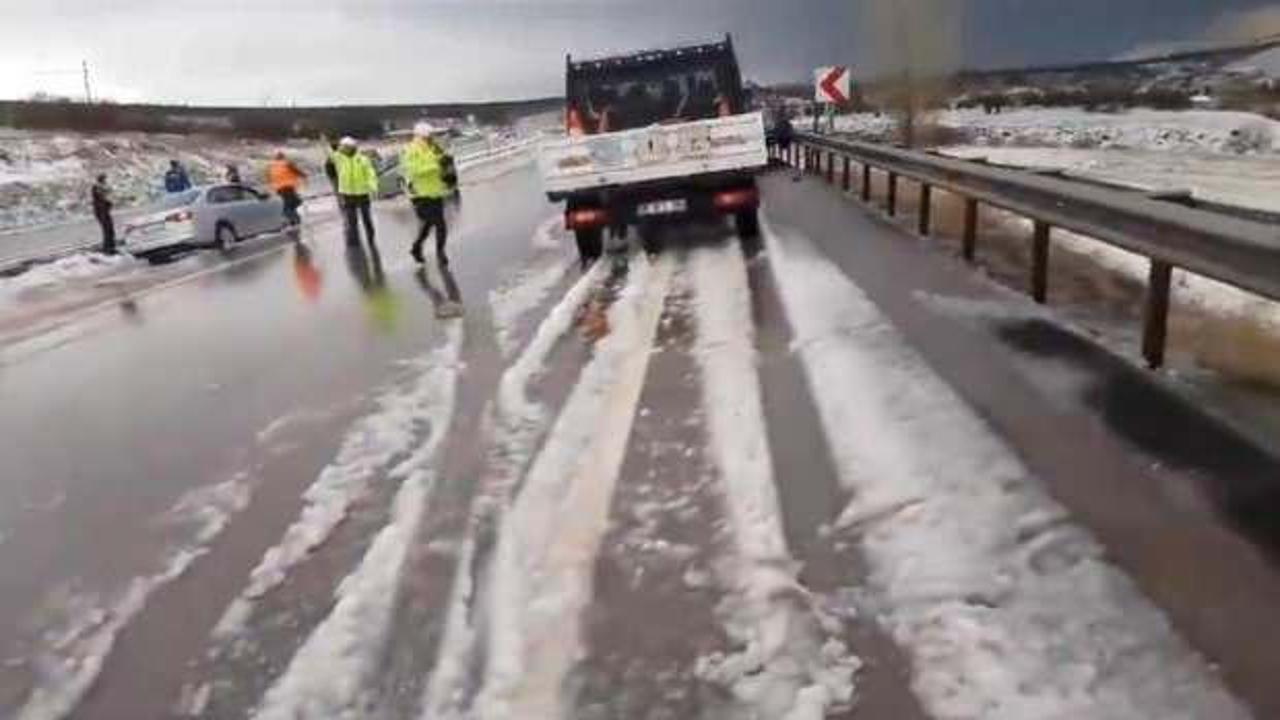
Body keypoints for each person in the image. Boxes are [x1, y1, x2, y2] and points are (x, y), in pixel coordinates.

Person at [401, 122, 454, 266]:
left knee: (430, 223)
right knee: (439, 223)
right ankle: (440, 253)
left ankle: (416, 247)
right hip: (420, 194)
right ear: (423, 135)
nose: (433, 137)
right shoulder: (411, 150)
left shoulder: (432, 148)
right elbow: (414, 171)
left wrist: (446, 161)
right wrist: (436, 165)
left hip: (435, 192)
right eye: (431, 135)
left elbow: (442, 161)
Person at [330, 136, 379, 247]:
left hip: (362, 193)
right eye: (341, 147)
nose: (342, 149)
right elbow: (330, 153)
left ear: (352, 147)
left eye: (345, 147)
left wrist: (373, 187)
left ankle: (370, 237)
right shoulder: (339, 158)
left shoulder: (363, 160)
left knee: (366, 217)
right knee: (351, 219)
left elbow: (370, 174)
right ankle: (354, 240)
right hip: (347, 193)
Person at [267, 150, 308, 226]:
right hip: (288, 187)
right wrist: (304, 175)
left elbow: (269, 178)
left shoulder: (271, 166)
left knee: (290, 203)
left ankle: (291, 218)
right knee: (294, 203)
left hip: (279, 189)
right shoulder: (286, 163)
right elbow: (296, 171)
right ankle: (291, 218)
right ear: (283, 157)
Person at [91, 174, 116, 255]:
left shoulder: (99, 188)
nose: (106, 181)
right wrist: (107, 204)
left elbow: (104, 197)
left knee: (109, 229)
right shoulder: (98, 188)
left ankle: (110, 246)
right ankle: (108, 248)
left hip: (103, 211)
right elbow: (101, 198)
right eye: (105, 179)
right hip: (102, 212)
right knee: (108, 229)